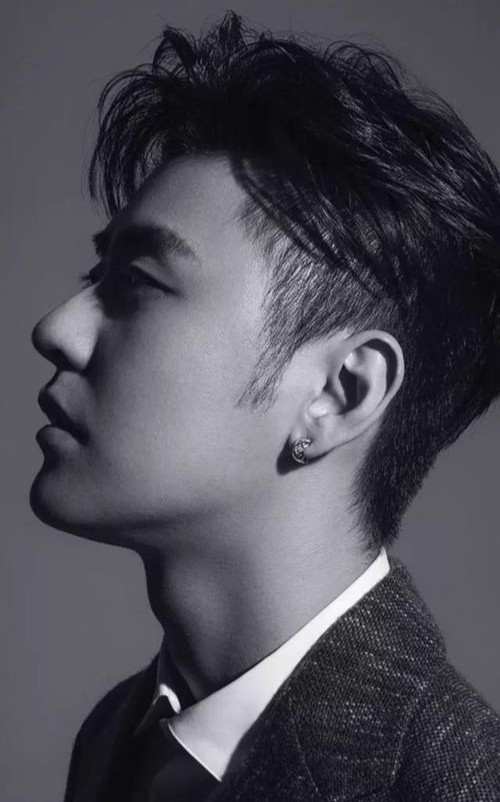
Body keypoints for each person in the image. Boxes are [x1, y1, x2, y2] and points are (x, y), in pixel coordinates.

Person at [30, 11, 500, 802]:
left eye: (137, 283)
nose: (56, 329)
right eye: (94, 276)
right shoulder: (119, 736)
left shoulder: (453, 784)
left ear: (340, 393)